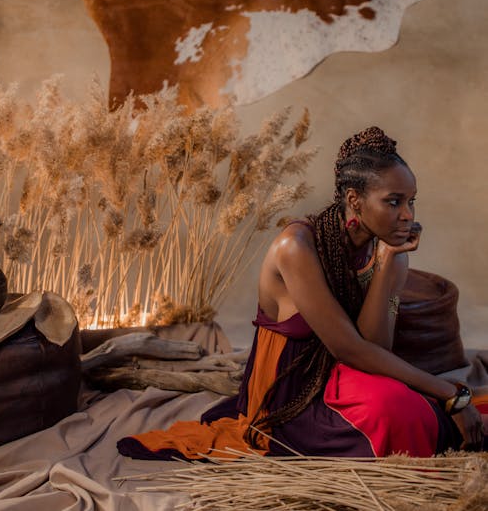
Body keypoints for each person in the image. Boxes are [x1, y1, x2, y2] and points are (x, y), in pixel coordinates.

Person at [118, 126, 485, 460]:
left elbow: (376, 346)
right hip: (291, 390)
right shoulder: (296, 247)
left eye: (411, 201)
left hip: (348, 373)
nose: (407, 215)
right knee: (401, 409)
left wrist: (388, 265)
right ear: (355, 200)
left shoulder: (388, 249)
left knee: (408, 404)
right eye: (394, 201)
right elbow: (350, 348)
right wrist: (447, 391)